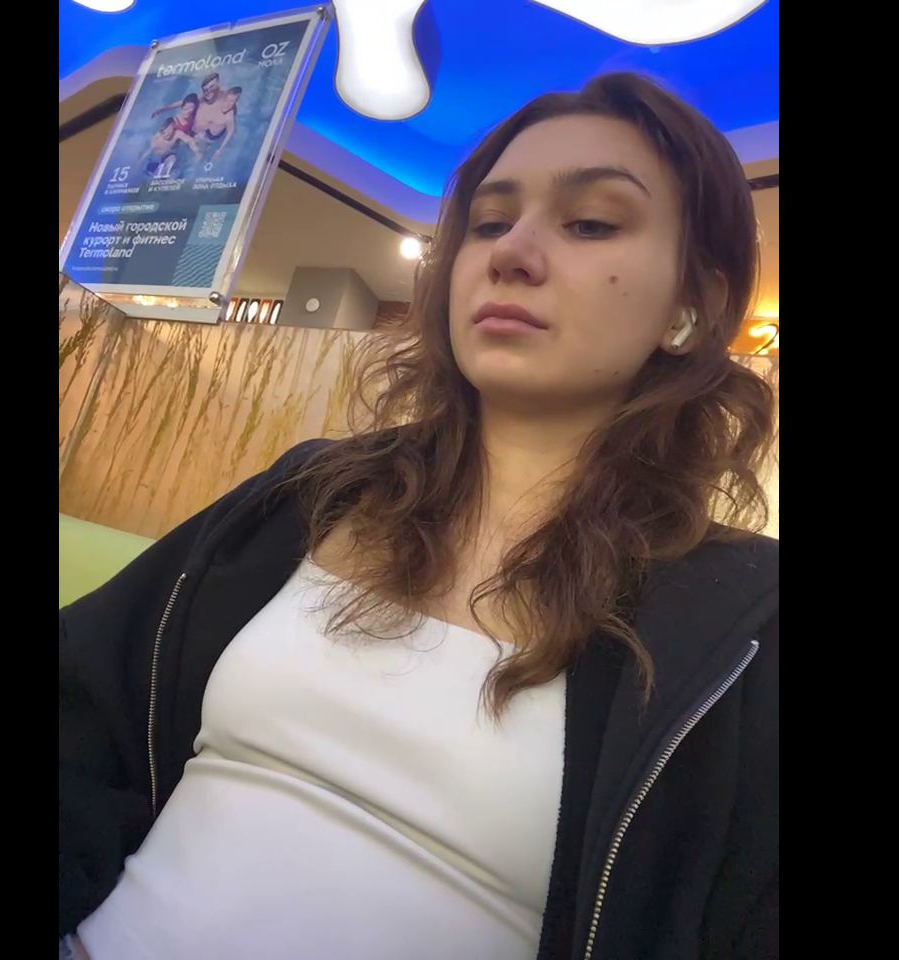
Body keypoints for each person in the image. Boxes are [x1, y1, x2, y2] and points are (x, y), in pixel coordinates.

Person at [59, 72, 778, 960]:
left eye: (591, 223)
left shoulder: (741, 626)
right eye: (489, 222)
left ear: (693, 307)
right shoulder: (314, 491)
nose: (512, 253)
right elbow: (82, 712)